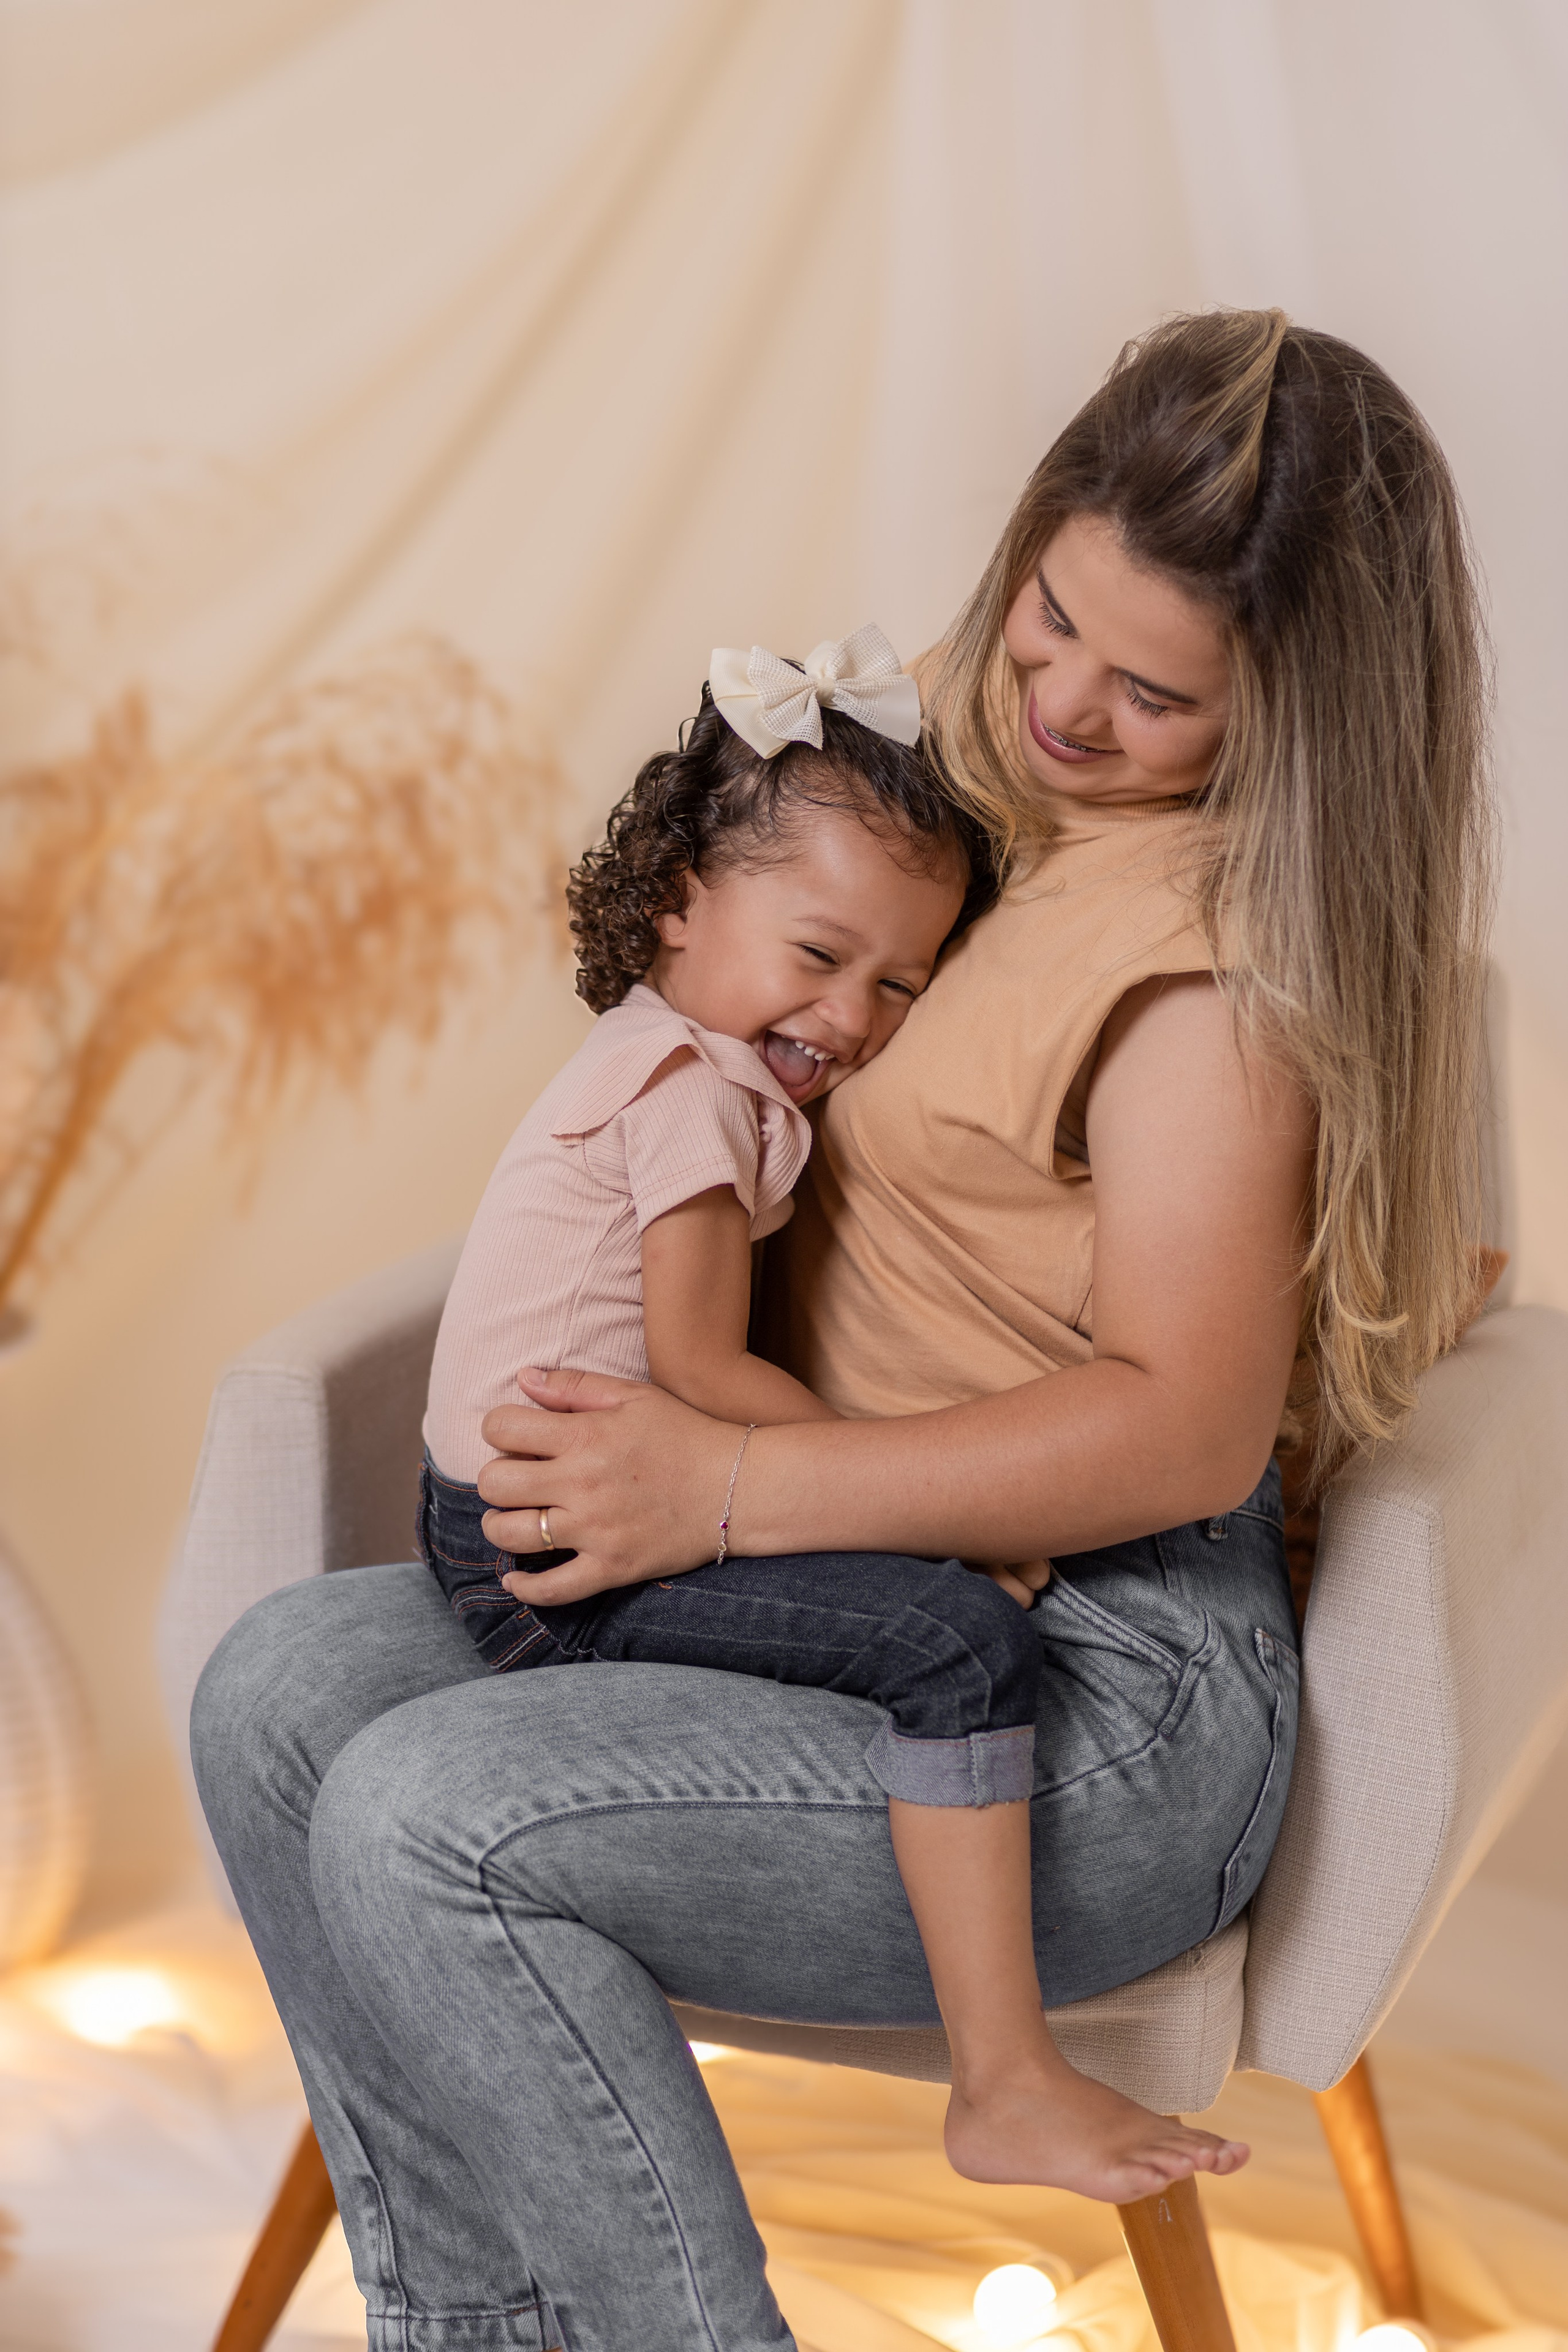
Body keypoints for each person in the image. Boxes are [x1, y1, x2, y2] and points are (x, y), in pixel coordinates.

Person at [194, 309, 1493, 2352]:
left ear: (1293, 716)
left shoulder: (1207, 986)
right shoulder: (1012, 832)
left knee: (426, 1817)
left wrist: (725, 1479)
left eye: (1150, 691)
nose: (1062, 697)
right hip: (853, 1576)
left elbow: (1186, 1432)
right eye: (1052, 618)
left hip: (1091, 1687)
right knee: (279, 1692)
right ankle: (477, 2331)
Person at [420, 627, 1242, 2204]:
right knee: (958, 1643)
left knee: (922, 1609)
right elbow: (705, 1366)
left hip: (517, 1506)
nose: (854, 1018)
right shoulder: (698, 1099)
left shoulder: (678, 1052)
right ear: (674, 904)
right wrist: (917, 1515)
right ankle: (1002, 2077)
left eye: (896, 985)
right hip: (541, 1543)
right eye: (816, 959)